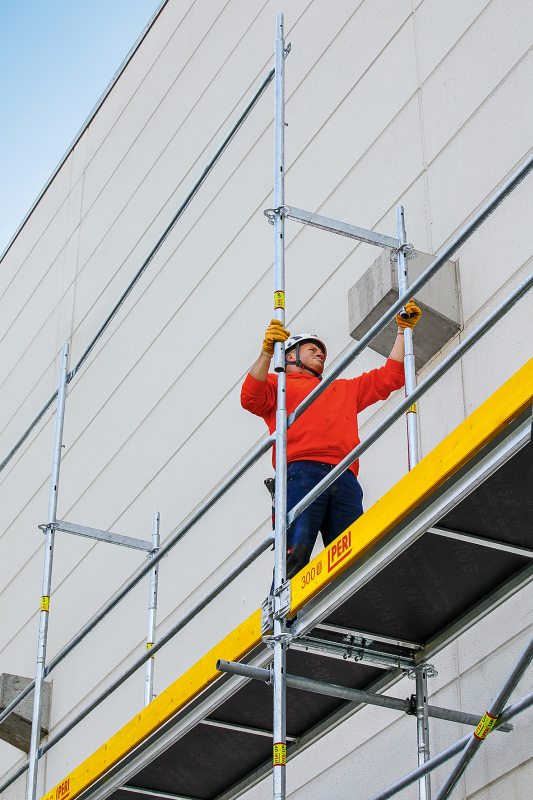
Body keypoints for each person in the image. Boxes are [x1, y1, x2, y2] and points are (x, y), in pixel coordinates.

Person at [240, 300, 422, 581]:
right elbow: (250, 397)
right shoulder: (279, 387)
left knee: (353, 556)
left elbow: (391, 377)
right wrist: (266, 353)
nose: (320, 355)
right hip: (301, 470)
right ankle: (286, 616)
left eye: (322, 353)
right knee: (296, 554)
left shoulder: (342, 388)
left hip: (344, 473)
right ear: (289, 357)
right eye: (312, 350)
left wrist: (402, 331)